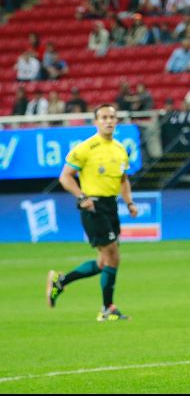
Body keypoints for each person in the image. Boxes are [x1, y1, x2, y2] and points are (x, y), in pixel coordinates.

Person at [47, 104, 139, 321]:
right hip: (93, 207)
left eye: (112, 117)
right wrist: (82, 197)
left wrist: (129, 203)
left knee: (103, 263)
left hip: (111, 206)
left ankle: (61, 281)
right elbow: (65, 177)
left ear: (116, 121)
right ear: (96, 122)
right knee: (113, 256)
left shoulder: (120, 149)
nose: (108, 121)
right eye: (104, 117)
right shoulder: (85, 148)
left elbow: (123, 180)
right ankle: (107, 309)